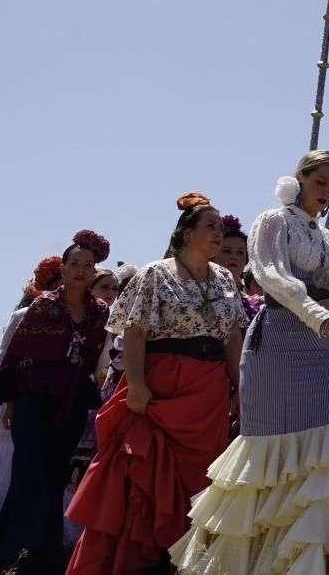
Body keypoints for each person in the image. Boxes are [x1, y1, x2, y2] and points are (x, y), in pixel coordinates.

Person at [171, 152, 329, 574]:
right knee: (266, 462)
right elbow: (273, 277)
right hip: (279, 343)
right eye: (321, 182)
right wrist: (323, 315)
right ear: (299, 178)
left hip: (323, 351)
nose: (328, 193)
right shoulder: (273, 220)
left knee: (321, 457)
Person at [66, 194, 246, 574]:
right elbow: (134, 333)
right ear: (186, 233)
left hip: (208, 395)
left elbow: (232, 339)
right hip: (160, 388)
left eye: (221, 227)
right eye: (210, 226)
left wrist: (240, 389)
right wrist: (135, 384)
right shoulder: (156, 273)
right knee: (141, 479)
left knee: (201, 485)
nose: (219, 233)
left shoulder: (227, 280)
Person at [0, 230, 111, 574]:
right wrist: (8, 407)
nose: (81, 270)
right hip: (33, 405)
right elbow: (14, 361)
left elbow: (97, 364)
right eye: (74, 263)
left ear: (94, 270)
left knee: (53, 478)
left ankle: (41, 561)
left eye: (87, 265)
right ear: (63, 268)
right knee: (26, 476)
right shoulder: (42, 305)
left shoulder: (100, 313)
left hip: (72, 405)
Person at [0, 254, 64, 554]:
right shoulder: (22, 317)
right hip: (16, 409)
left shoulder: (78, 320)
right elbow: (4, 364)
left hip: (52, 412)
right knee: (3, 476)